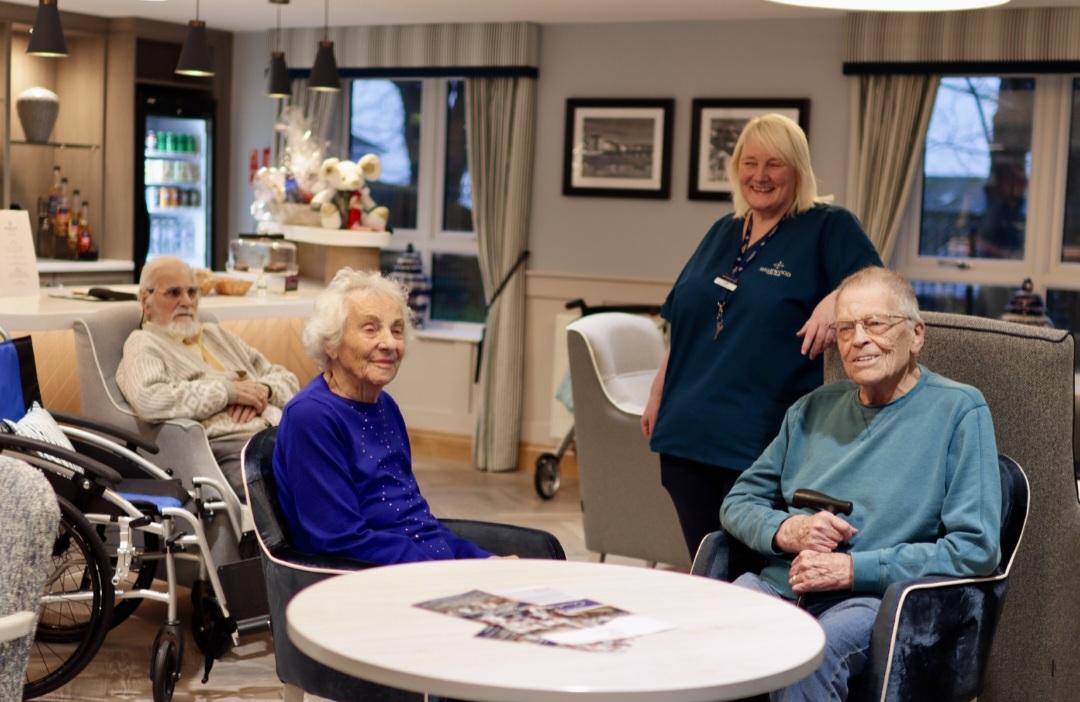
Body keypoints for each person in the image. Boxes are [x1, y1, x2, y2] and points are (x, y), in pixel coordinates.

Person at [720, 266, 1002, 701]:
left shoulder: (959, 410)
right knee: (705, 629)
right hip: (780, 584)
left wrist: (853, 569)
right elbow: (738, 500)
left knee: (807, 655)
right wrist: (786, 530)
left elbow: (975, 549)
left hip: (875, 600)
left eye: (875, 324)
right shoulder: (812, 408)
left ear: (917, 334)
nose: (859, 339)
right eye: (846, 327)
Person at [642, 113, 883, 557]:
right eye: (750, 163)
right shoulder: (723, 231)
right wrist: (658, 392)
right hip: (687, 433)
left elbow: (879, 289)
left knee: (752, 569)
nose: (761, 175)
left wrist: (837, 298)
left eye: (775, 164)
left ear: (798, 170)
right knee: (707, 563)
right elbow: (686, 321)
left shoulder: (828, 226)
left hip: (759, 440)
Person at [272, 268, 493, 564]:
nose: (390, 343)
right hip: (372, 584)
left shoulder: (384, 406)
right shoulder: (312, 417)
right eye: (371, 329)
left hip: (423, 569)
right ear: (331, 343)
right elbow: (339, 539)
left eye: (397, 329)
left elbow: (415, 520)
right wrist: (444, 571)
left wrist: (479, 560)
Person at [116, 256, 299, 498]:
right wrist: (228, 393)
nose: (186, 302)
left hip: (279, 433)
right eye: (173, 293)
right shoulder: (143, 343)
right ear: (144, 301)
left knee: (343, 470)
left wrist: (263, 390)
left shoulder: (215, 334)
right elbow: (151, 400)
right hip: (230, 446)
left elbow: (288, 379)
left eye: (193, 292)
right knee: (298, 491)